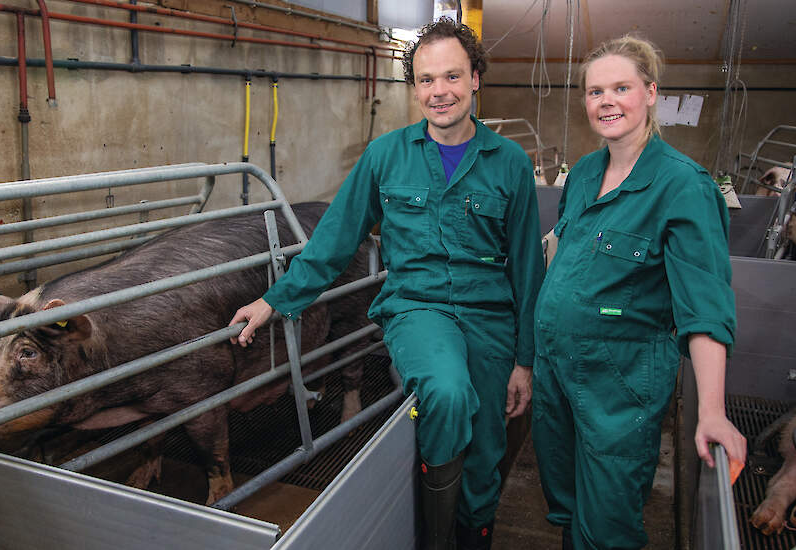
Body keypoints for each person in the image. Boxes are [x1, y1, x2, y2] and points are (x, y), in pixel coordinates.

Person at [228, 17, 544, 550]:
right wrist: (273, 301)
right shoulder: (386, 155)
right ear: (413, 87)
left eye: (451, 77)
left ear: (474, 80)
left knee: (488, 452)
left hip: (492, 316)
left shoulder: (509, 162)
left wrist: (524, 360)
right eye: (425, 80)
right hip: (418, 308)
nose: (438, 92)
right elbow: (332, 240)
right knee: (445, 392)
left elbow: (527, 270)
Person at [531, 35, 748, 550]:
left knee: (607, 524)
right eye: (595, 91)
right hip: (555, 373)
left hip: (618, 385)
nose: (606, 101)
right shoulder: (583, 173)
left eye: (621, 88)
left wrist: (712, 410)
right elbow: (566, 254)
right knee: (566, 505)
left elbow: (706, 308)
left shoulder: (684, 187)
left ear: (650, 92)